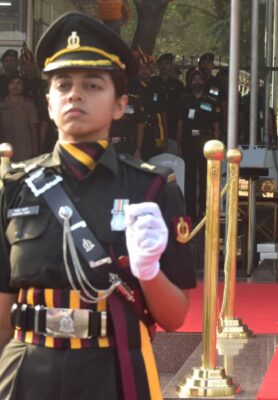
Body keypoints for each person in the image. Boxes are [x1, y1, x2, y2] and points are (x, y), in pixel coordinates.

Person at [0, 12, 195, 398]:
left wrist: (149, 271)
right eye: (63, 85)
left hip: (113, 368)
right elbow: (3, 301)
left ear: (120, 105)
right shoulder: (16, 187)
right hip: (27, 369)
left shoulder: (152, 188)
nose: (75, 94)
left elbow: (174, 318)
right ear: (49, 101)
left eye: (92, 85)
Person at [177, 68, 221, 218]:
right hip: (188, 141)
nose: (197, 82)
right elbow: (180, 123)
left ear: (204, 82)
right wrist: (178, 144)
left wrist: (216, 143)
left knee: (205, 178)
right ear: (190, 82)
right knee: (189, 178)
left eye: (200, 79)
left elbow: (216, 124)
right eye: (194, 80)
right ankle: (189, 212)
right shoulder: (184, 99)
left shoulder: (211, 101)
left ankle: (204, 212)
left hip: (206, 141)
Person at [131, 48, 166, 160]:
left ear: (151, 70)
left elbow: (163, 114)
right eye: (140, 68)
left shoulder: (156, 89)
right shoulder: (131, 88)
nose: (144, 71)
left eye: (146, 68)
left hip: (153, 134)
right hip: (134, 133)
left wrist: (164, 138)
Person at [150, 53, 185, 151]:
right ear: (158, 66)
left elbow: (180, 107)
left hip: (172, 125)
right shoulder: (152, 82)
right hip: (155, 125)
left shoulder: (177, 85)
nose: (164, 66)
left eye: (167, 64)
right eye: (161, 64)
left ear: (171, 66)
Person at [0, 74, 39, 160]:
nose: (15, 86)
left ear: (23, 87)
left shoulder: (29, 104)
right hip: (4, 151)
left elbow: (33, 129)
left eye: (18, 83)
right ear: (7, 85)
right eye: (12, 83)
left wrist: (35, 152)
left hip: (24, 151)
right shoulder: (1, 104)